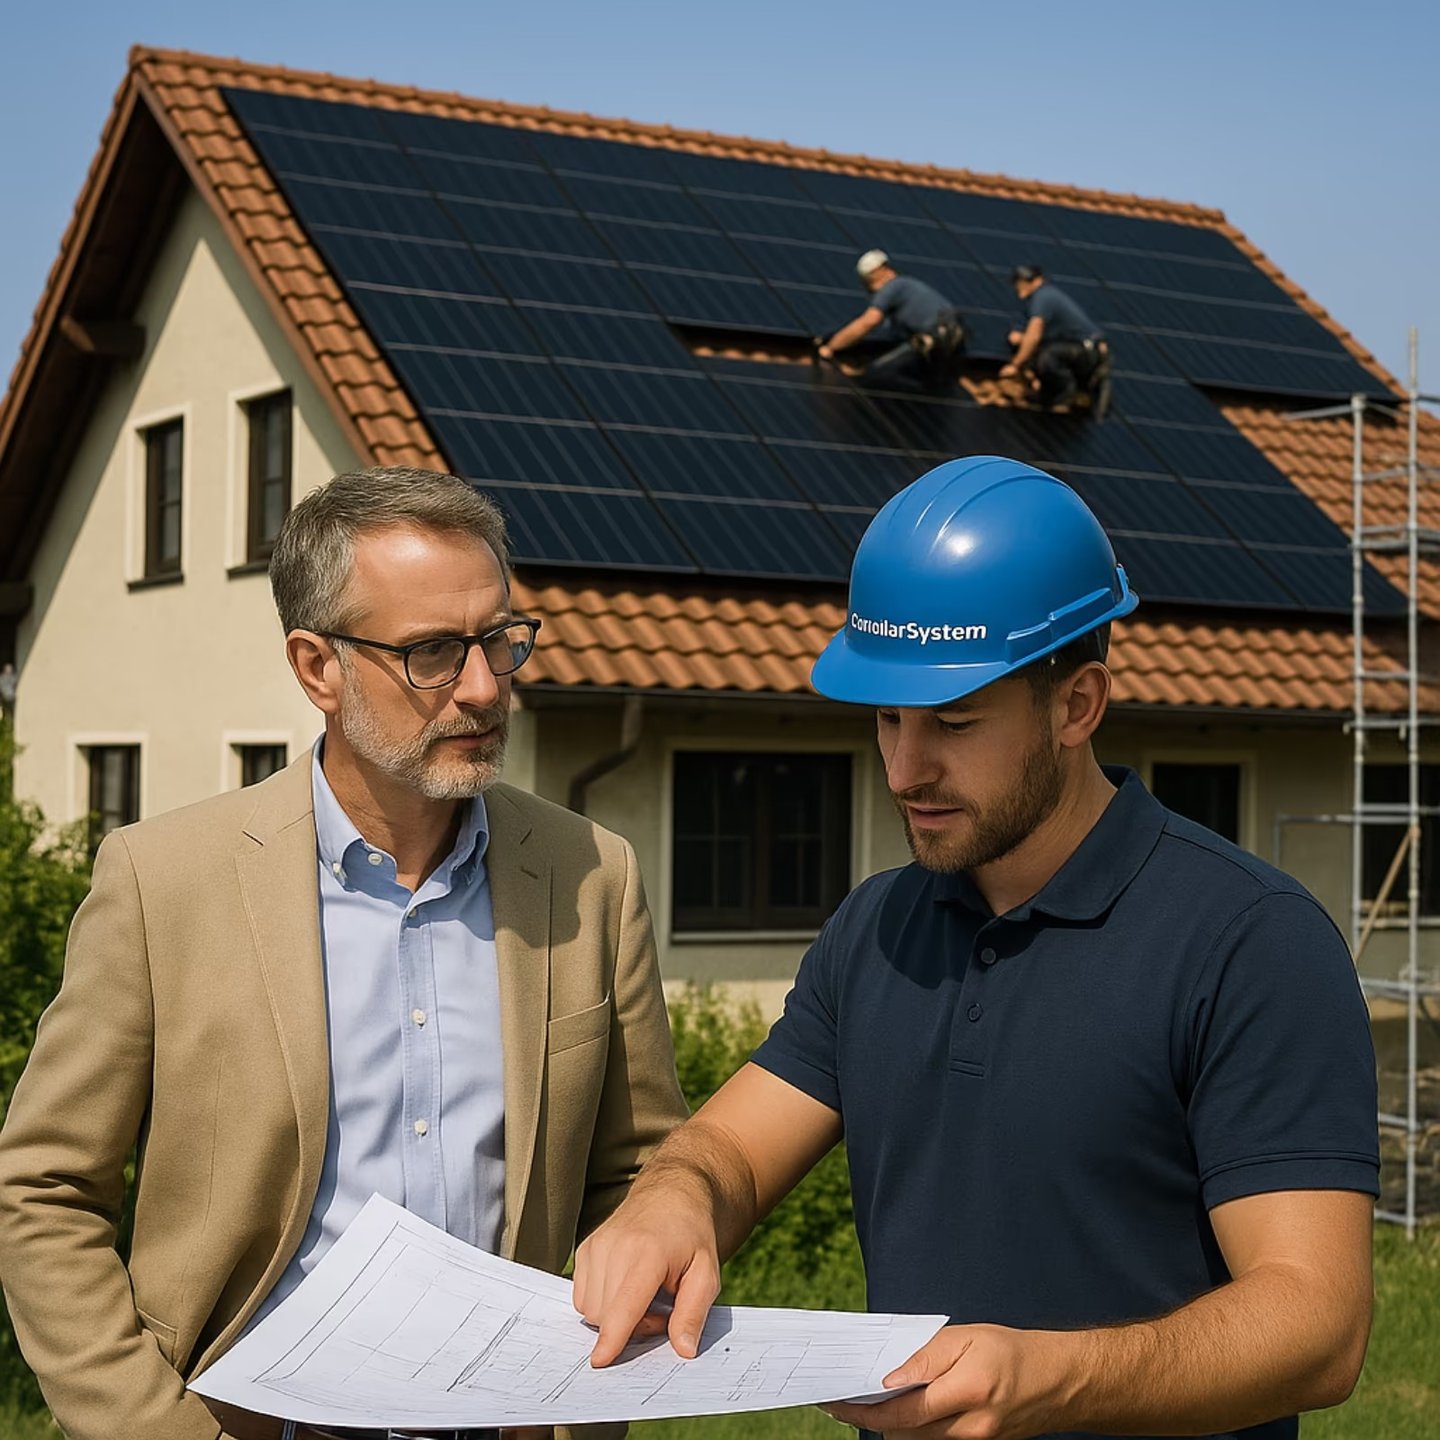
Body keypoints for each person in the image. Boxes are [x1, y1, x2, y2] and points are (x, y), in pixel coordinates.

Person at [572, 455, 1380, 1440]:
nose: (908, 768)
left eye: (953, 722)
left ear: (1078, 705)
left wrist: (1056, 1376)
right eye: (887, 719)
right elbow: (730, 1149)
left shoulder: (1251, 940)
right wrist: (672, 1197)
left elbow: (1318, 1324)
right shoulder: (877, 928)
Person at [0, 467, 688, 1440]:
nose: (486, 687)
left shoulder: (591, 873)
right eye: (435, 653)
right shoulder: (165, 883)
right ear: (316, 666)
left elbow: (644, 1170)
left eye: (500, 640)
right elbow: (43, 1188)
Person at [818, 249, 967, 391]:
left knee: (876, 375)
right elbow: (887, 337)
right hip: (951, 345)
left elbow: (868, 322)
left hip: (934, 339)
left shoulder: (893, 286)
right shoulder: (907, 291)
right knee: (928, 386)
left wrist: (832, 346)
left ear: (880, 273)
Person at [1003, 262, 1113, 417]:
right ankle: (1044, 388)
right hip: (1076, 350)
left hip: (1088, 351)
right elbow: (1019, 336)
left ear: (1037, 281)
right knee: (1032, 348)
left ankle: (1064, 397)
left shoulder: (1043, 297)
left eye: (1023, 281)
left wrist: (1015, 365)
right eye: (1018, 282)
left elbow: (1034, 336)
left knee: (1047, 357)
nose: (1019, 286)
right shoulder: (1033, 303)